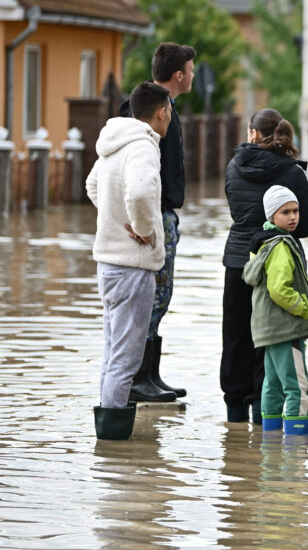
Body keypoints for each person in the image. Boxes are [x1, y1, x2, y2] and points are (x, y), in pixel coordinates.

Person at [88, 83, 173, 439]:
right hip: (133, 264)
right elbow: (139, 192)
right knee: (126, 357)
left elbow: (92, 186)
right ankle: (113, 442)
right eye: (169, 111)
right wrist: (143, 229)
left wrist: (111, 218)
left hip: (108, 264)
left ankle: (107, 448)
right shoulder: (143, 147)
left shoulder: (113, 142)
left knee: (113, 352)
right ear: (162, 112)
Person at [221, 109, 308, 425]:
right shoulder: (292, 172)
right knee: (271, 340)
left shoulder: (234, 166)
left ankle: (234, 423)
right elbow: (306, 226)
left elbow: (236, 212)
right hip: (277, 263)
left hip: (238, 261)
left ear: (252, 134)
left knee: (235, 338)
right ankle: (266, 422)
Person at [118, 42, 195, 403]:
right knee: (153, 296)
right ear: (179, 74)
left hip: (165, 212)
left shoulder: (168, 108)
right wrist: (138, 220)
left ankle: (149, 374)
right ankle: (137, 379)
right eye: (191, 70)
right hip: (153, 214)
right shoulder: (145, 110)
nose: (193, 75)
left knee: (161, 297)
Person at [243, 186, 308, 435]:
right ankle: (296, 449)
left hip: (268, 328)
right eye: (285, 212)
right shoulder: (281, 246)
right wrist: (303, 309)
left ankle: (270, 444)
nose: (293, 217)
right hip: (286, 327)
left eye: (296, 211)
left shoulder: (263, 243)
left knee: (272, 384)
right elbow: (279, 289)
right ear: (271, 216)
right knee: (298, 387)